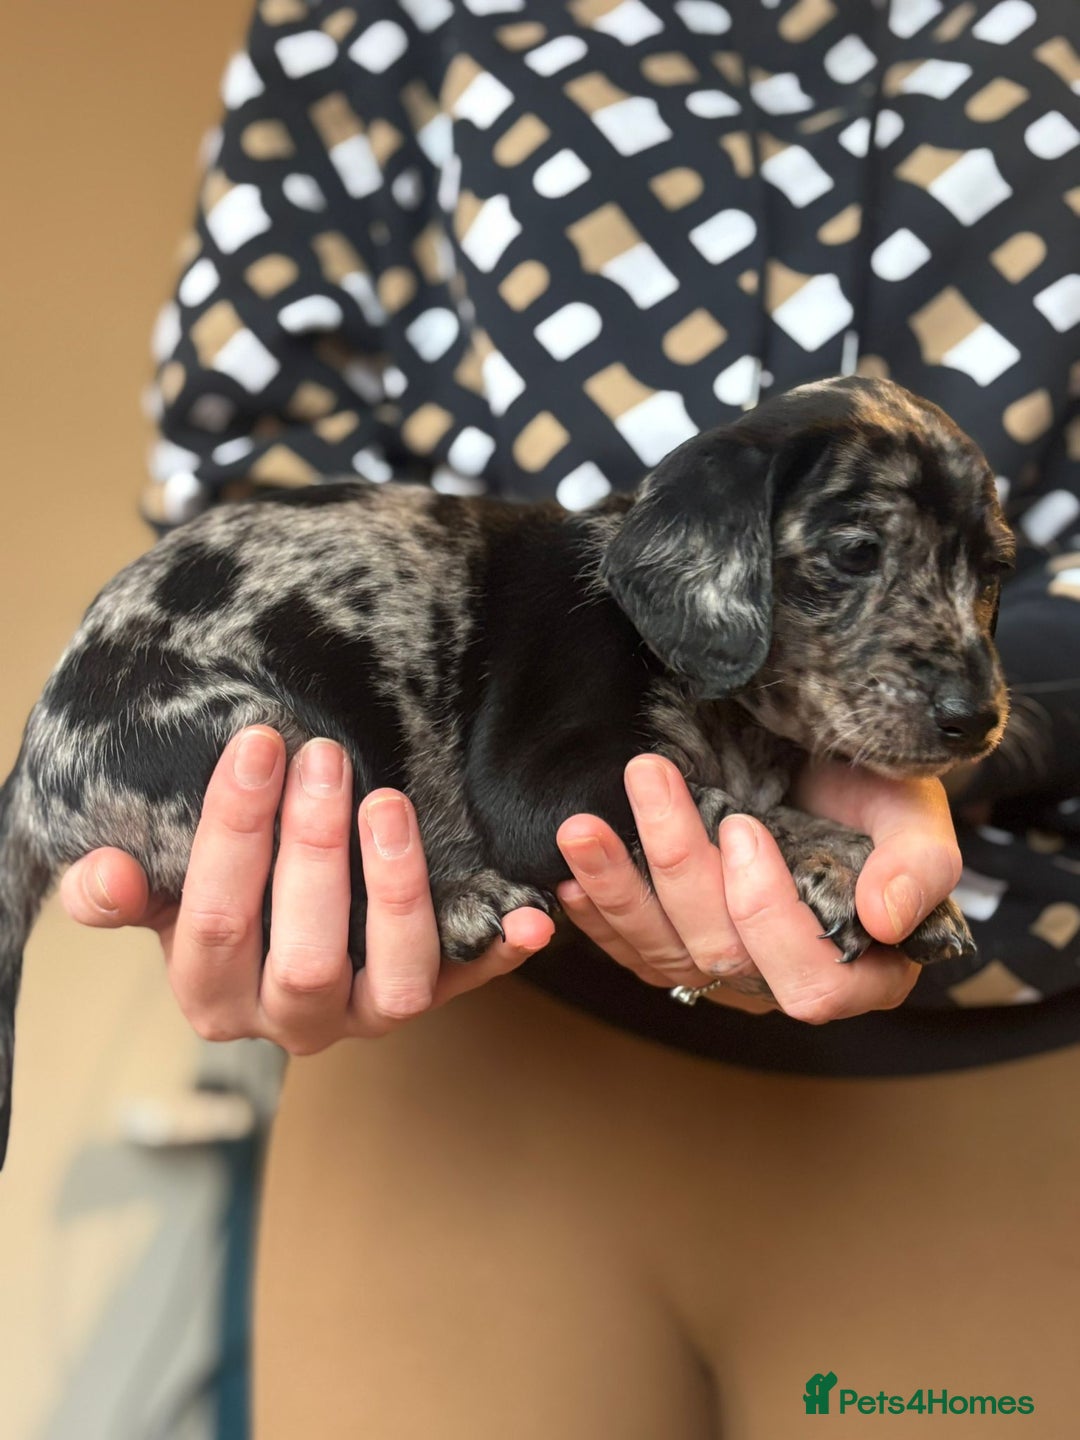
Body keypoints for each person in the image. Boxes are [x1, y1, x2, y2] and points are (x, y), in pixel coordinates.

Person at [61, 0, 1080, 1433]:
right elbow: (255, 456)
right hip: (475, 1049)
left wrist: (861, 737)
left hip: (997, 1075)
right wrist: (282, 798)